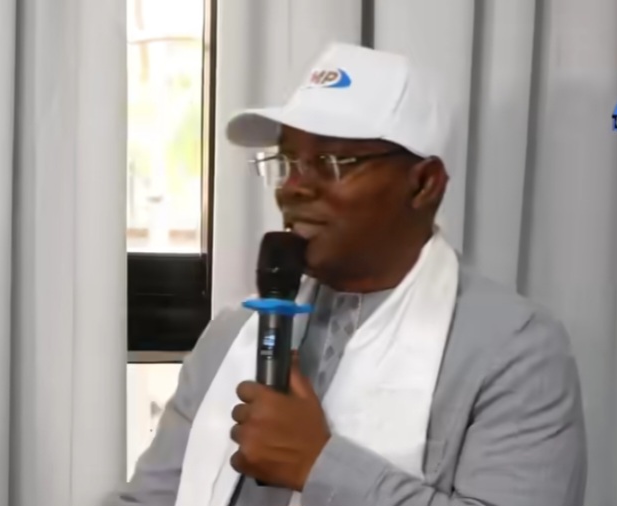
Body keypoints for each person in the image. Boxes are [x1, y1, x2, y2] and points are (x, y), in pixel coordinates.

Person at [106, 43, 587, 506]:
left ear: (424, 184)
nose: (292, 188)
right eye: (287, 162)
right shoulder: (235, 336)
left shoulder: (514, 350)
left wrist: (318, 465)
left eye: (331, 163)